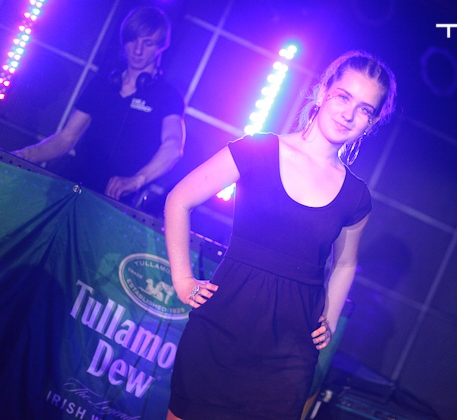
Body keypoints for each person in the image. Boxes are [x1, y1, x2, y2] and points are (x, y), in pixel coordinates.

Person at [164, 50, 396, 420]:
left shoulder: (355, 196)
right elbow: (179, 200)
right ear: (323, 91)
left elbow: (345, 263)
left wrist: (330, 318)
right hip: (221, 328)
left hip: (290, 353)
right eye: (343, 97)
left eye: (364, 109)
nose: (349, 114)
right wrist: (183, 280)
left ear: (371, 122)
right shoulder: (257, 149)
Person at [12, 6, 185, 201]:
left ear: (162, 46)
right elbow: (66, 138)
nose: (138, 50)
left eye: (148, 43)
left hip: (115, 203)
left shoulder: (168, 97)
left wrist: (137, 180)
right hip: (73, 188)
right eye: (132, 40)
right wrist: (22, 156)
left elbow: (173, 147)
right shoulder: (102, 84)